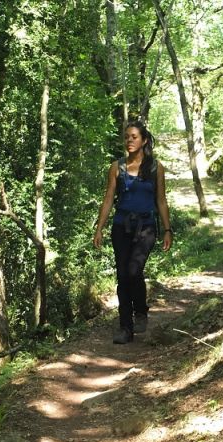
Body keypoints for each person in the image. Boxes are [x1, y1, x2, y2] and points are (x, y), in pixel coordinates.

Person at [93, 121, 173, 344]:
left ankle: (141, 311)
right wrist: (99, 228)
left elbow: (161, 200)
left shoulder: (156, 168)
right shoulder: (116, 167)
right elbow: (108, 199)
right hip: (121, 227)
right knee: (122, 275)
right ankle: (125, 327)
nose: (129, 140)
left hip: (146, 227)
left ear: (144, 140)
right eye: (127, 136)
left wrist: (167, 230)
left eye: (134, 137)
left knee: (134, 270)